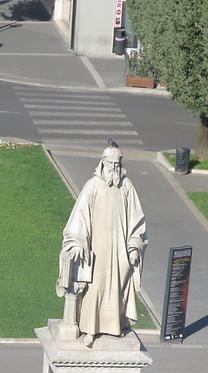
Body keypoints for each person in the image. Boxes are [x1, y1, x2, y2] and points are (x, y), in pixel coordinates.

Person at [57, 145, 147, 347]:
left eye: (117, 164)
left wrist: (134, 246)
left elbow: (137, 221)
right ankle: (90, 330)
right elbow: (79, 217)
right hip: (97, 251)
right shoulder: (93, 186)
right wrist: (78, 242)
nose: (114, 167)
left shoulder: (127, 187)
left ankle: (115, 327)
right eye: (110, 163)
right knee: (94, 289)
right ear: (103, 163)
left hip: (119, 253)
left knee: (116, 288)